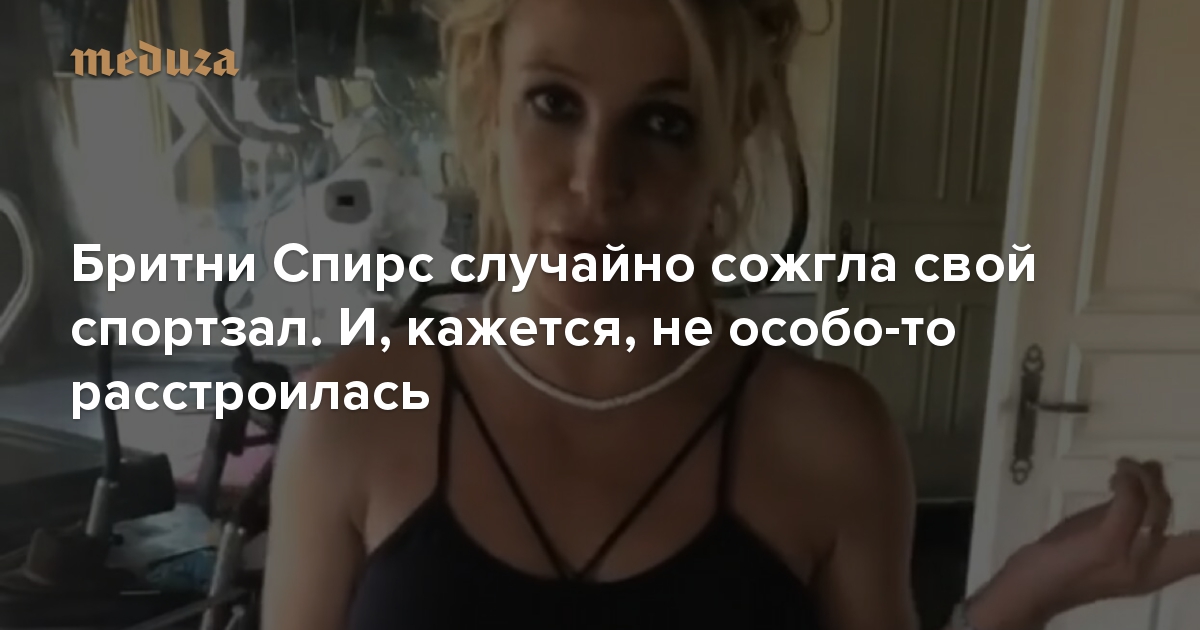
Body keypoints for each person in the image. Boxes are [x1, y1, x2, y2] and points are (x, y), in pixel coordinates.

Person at [260, 0, 1200, 628]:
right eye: (553, 103)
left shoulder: (828, 437)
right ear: (487, 104)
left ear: (731, 137)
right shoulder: (352, 417)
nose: (597, 180)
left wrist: (1023, 598)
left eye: (663, 122)